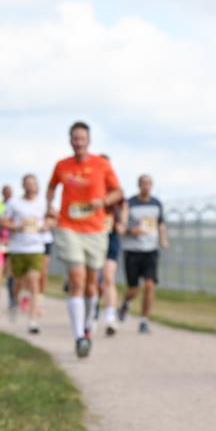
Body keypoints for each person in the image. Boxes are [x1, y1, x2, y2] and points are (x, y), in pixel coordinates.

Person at [46, 121, 122, 357]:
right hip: (69, 227)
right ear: (70, 140)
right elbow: (51, 187)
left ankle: (88, 325)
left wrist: (104, 201)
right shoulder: (62, 165)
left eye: (82, 138)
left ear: (88, 141)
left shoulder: (102, 164)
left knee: (92, 284)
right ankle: (79, 336)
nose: (78, 142)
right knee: (77, 279)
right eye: (75, 138)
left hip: (95, 229)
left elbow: (118, 192)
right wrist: (49, 207)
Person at [119, 174, 168, 334]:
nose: (146, 186)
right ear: (139, 185)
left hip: (150, 251)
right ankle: (126, 303)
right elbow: (121, 226)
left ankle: (144, 320)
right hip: (132, 251)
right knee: (134, 289)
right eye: (143, 183)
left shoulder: (156, 204)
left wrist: (163, 239)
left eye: (149, 183)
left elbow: (160, 224)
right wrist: (131, 231)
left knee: (149, 285)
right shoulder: (130, 203)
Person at [4, 174, 52, 334]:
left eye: (33, 183)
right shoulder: (14, 203)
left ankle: (32, 321)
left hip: (36, 247)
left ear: (37, 185)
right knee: (18, 283)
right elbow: (3, 221)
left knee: (33, 281)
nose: (31, 186)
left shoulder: (43, 203)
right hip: (18, 248)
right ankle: (14, 302)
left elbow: (53, 218)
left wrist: (47, 225)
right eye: (28, 183)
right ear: (23, 186)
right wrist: (17, 226)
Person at [95, 155, 127, 336]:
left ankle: (110, 317)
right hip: (91, 236)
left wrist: (122, 222)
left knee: (108, 277)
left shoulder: (116, 189)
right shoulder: (90, 188)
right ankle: (92, 311)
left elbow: (124, 205)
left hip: (111, 236)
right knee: (93, 281)